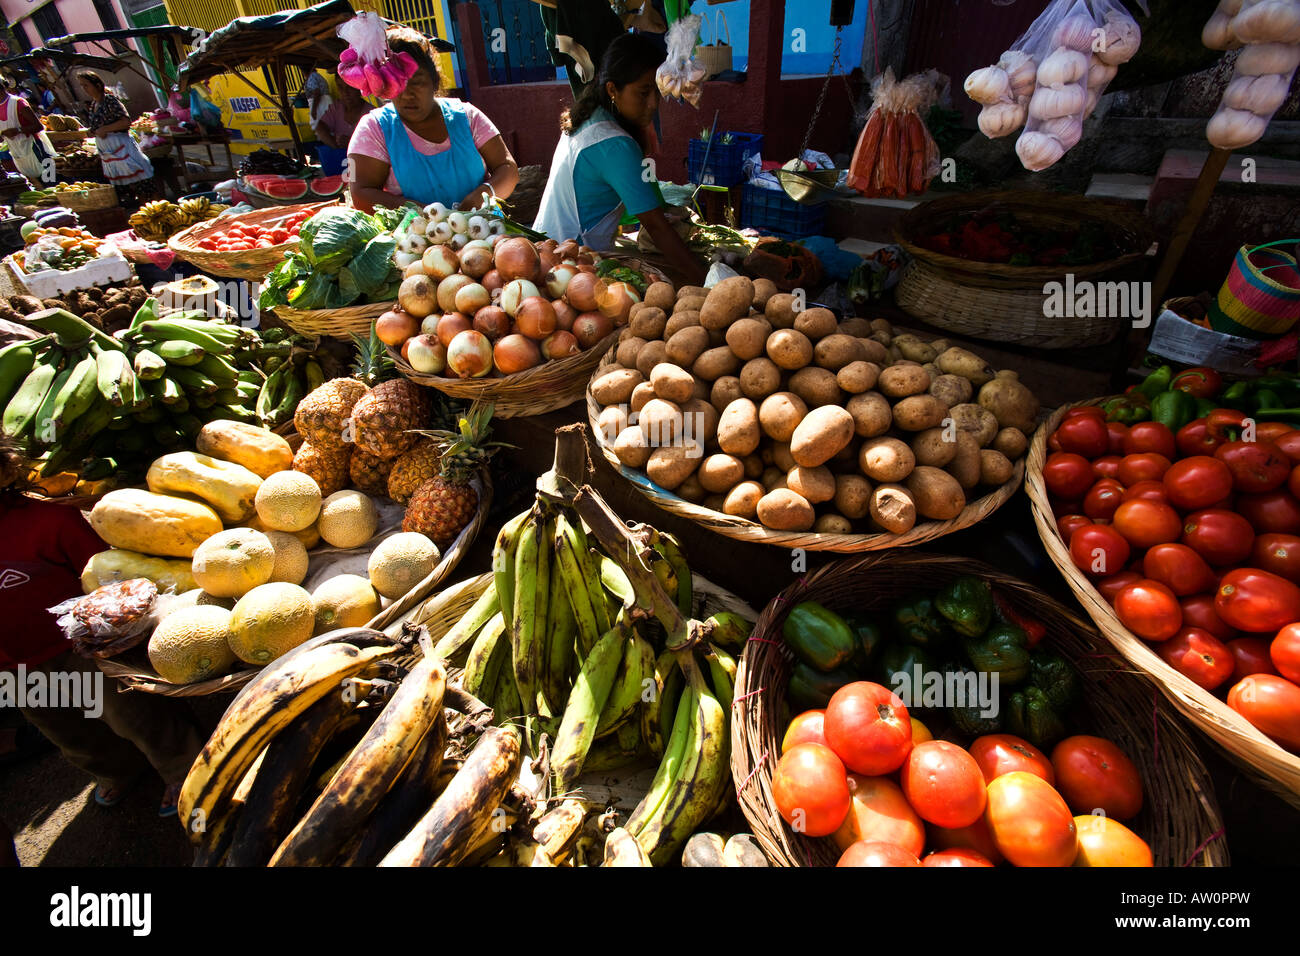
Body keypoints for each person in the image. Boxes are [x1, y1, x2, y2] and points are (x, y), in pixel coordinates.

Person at [0, 440, 203, 818]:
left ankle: (183, 769)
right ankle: (116, 770)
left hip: (83, 648)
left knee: (133, 715)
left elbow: (110, 575)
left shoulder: (46, 522)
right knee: (67, 732)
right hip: (12, 663)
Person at [534, 33, 705, 283]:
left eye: (656, 92)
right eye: (643, 93)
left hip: (543, 250)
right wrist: (704, 279)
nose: (653, 103)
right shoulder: (615, 144)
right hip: (570, 267)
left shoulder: (591, 116)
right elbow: (656, 227)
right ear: (612, 89)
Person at [348, 27, 518, 212]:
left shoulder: (467, 117)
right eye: (397, 83)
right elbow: (360, 194)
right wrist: (428, 214)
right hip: (413, 239)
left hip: (483, 233)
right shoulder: (374, 129)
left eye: (417, 82)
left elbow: (507, 168)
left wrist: (482, 195)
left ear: (434, 81)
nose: (407, 94)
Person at [75, 71, 158, 206]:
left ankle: (155, 207)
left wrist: (105, 129)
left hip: (122, 148)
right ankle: (143, 210)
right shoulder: (93, 105)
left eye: (86, 85)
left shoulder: (110, 101)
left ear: (97, 85)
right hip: (110, 152)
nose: (84, 89)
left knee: (141, 182)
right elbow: (99, 125)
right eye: (81, 86)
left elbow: (125, 122)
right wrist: (93, 131)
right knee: (129, 185)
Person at [0, 77, 56, 187]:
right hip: (19, 152)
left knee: (51, 182)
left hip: (38, 148)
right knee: (37, 186)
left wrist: (18, 131)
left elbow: (38, 126)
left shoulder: (18, 103)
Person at [315, 74, 367, 177]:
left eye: (350, 87)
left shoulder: (371, 113)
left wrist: (352, 144)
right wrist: (335, 146)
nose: (345, 93)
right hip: (341, 167)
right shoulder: (336, 108)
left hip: (364, 169)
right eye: (340, 87)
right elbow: (320, 127)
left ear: (359, 88)